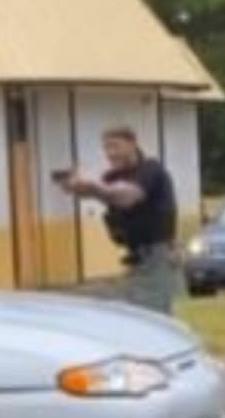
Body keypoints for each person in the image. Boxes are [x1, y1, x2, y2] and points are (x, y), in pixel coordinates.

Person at [59, 125, 179, 314]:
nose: (110, 153)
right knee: (139, 315)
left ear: (132, 144)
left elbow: (128, 196)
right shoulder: (112, 177)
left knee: (151, 317)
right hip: (136, 259)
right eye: (106, 148)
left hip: (158, 256)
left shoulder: (150, 169)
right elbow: (100, 193)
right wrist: (74, 186)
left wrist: (93, 186)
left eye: (115, 146)